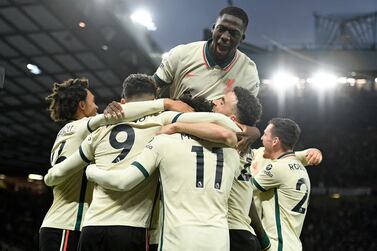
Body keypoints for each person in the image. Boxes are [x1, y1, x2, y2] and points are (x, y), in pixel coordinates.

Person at [44, 74, 242, 251]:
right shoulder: (161, 121)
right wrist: (171, 112)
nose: (96, 107)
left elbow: (55, 174)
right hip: (134, 228)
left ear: (122, 101)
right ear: (153, 101)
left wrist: (85, 171)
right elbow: (224, 125)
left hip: (91, 226)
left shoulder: (99, 129)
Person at [154, 6, 261, 153]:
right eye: (221, 29)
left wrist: (254, 130)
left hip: (215, 146)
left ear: (242, 38)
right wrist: (125, 106)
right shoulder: (182, 54)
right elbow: (149, 89)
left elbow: (246, 116)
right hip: (174, 138)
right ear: (213, 29)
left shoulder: (248, 71)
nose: (225, 36)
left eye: (233, 33)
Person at [252, 118, 311, 251]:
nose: (261, 138)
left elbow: (244, 190)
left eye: (265, 134)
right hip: (294, 245)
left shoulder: (277, 168)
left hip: (277, 245)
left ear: (275, 141)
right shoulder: (302, 169)